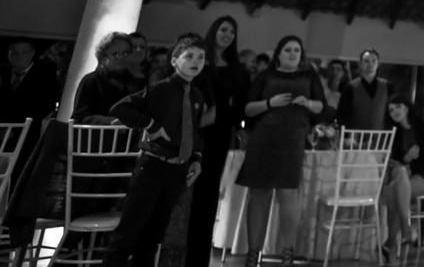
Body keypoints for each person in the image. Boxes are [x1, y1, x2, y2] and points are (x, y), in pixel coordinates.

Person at [101, 35, 207, 267]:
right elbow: (120, 108)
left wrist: (196, 159)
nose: (195, 61)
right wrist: (151, 125)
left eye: (200, 57)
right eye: (189, 56)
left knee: (155, 234)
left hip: (177, 170)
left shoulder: (197, 95)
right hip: (153, 165)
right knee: (130, 228)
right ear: (175, 61)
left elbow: (194, 131)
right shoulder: (161, 89)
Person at [237, 35, 325, 267]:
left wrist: (307, 103)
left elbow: (321, 106)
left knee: (288, 194)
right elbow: (248, 108)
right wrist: (270, 103)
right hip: (263, 138)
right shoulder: (266, 76)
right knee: (259, 194)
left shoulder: (309, 76)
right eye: (288, 49)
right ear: (278, 54)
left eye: (296, 50)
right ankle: (253, 253)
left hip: (293, 138)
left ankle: (288, 253)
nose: (293, 53)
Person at [187, 16, 250, 267]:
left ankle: (199, 256)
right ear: (214, 30)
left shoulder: (236, 68)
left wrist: (238, 127)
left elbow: (240, 103)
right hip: (197, 128)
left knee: (209, 191)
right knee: (190, 189)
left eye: (232, 32)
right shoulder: (199, 60)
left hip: (221, 132)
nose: (227, 35)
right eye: (224, 29)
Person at [382, 96, 424, 258]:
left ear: (407, 107)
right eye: (391, 110)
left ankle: (392, 242)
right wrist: (407, 159)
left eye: (398, 107)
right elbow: (396, 161)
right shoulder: (395, 132)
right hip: (404, 176)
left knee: (394, 193)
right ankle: (404, 230)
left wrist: (415, 158)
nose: (395, 112)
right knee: (399, 175)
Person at [72, 32, 140, 123]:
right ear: (103, 58)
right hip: (99, 132)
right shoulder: (92, 81)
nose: (121, 57)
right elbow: (79, 117)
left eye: (125, 53)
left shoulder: (135, 83)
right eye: (115, 54)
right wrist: (110, 122)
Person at [1, 37, 58, 124]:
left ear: (32, 53)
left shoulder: (44, 77)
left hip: (29, 127)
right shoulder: (3, 72)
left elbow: (45, 108)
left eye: (24, 52)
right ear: (8, 54)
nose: (19, 56)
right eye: (15, 53)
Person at [337, 49, 389, 129]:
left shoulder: (387, 86)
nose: (370, 64)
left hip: (381, 135)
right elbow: (342, 114)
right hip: (355, 135)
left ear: (378, 64)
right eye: (366, 61)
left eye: (373, 61)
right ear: (360, 64)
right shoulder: (350, 87)